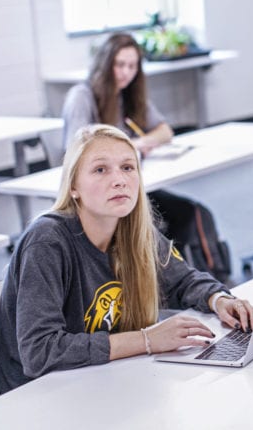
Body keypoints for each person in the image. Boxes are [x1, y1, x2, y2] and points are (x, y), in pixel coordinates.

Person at [0, 125, 253, 393]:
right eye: (100, 169)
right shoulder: (48, 241)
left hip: (101, 378)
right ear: (74, 186)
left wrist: (221, 299)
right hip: (40, 397)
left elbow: (183, 280)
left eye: (128, 167)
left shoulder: (131, 228)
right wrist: (146, 340)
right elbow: (39, 352)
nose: (119, 179)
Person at [61, 32, 213, 274]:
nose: (126, 73)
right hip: (101, 196)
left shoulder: (127, 94)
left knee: (191, 212)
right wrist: (128, 149)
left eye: (132, 66)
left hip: (130, 185)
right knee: (164, 220)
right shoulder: (82, 97)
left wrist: (139, 142)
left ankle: (188, 282)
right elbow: (75, 153)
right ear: (105, 63)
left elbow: (165, 130)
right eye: (120, 64)